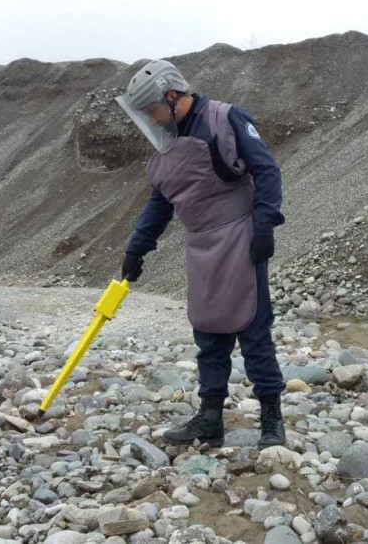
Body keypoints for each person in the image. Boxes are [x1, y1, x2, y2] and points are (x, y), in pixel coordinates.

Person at [116, 59, 287, 448]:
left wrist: (264, 226)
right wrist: (136, 249)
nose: (152, 121)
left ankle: (271, 421)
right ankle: (210, 417)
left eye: (153, 111)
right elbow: (160, 203)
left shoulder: (225, 118)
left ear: (172, 96)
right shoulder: (168, 143)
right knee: (208, 330)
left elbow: (267, 170)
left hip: (241, 236)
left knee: (253, 329)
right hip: (200, 245)